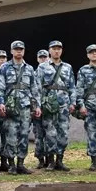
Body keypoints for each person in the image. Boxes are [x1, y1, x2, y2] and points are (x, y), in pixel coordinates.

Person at [0, 41, 41, 174]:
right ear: (11, 51)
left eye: (21, 49)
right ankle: (11, 164)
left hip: (25, 107)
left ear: (24, 51)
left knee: (24, 135)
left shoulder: (29, 68)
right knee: (10, 136)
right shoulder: (4, 67)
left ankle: (21, 163)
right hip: (10, 107)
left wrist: (37, 106)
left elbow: (34, 88)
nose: (19, 51)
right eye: (16, 49)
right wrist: (0, 103)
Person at [35, 41, 76, 172]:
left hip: (64, 105)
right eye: (54, 49)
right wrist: (38, 105)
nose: (56, 51)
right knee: (50, 133)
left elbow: (72, 86)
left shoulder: (67, 67)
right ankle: (51, 161)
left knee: (63, 133)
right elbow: (37, 87)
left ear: (61, 50)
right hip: (48, 105)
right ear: (49, 51)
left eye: (59, 49)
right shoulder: (42, 67)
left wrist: (73, 102)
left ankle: (60, 160)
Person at [33, 49, 50, 169]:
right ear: (37, 59)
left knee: (49, 134)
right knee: (38, 135)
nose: (43, 59)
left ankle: (50, 158)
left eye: (45, 57)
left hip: (49, 108)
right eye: (41, 57)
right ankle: (40, 158)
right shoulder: (33, 74)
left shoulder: (52, 72)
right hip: (37, 108)